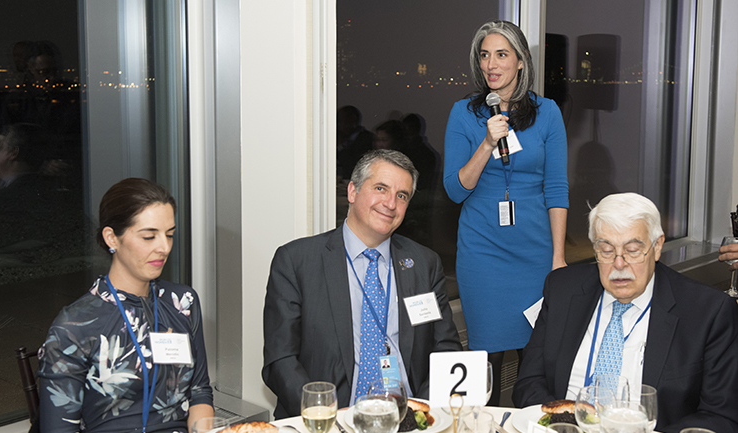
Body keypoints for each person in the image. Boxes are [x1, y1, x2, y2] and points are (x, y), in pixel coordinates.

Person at [512, 193, 738, 432]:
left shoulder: (708, 312)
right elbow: (528, 383)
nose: (619, 265)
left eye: (632, 250)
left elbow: (720, 416)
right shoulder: (562, 290)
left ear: (657, 246)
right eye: (607, 250)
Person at [262, 149, 462, 418]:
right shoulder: (297, 261)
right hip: (328, 418)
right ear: (353, 192)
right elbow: (280, 359)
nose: (390, 203)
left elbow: (446, 350)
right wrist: (324, 414)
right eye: (381, 188)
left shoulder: (424, 263)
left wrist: (418, 412)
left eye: (401, 196)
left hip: (407, 416)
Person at [443, 20, 568, 404]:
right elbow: (454, 189)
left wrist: (558, 256)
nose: (491, 64)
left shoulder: (547, 113)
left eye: (501, 54)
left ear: (520, 61)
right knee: (487, 360)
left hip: (535, 251)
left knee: (535, 360)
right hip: (483, 253)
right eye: (484, 55)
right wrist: (486, 143)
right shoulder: (464, 113)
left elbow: (557, 188)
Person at [37, 178, 213, 432]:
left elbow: (199, 393)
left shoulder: (182, 303)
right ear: (112, 238)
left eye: (170, 235)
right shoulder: (75, 326)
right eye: (149, 236)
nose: (164, 247)